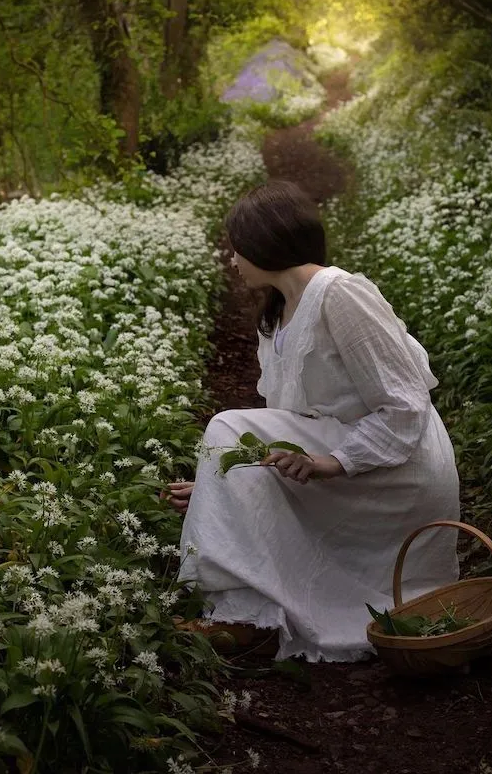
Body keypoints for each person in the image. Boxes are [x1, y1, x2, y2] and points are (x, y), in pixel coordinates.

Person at [166, 180, 460, 662]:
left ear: (266, 243)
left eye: (237, 248)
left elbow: (406, 405)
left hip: (397, 467)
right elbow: (287, 425)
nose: (232, 260)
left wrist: (336, 462)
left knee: (223, 427)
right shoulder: (279, 313)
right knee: (226, 443)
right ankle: (249, 615)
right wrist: (226, 484)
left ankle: (242, 618)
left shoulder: (340, 294)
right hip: (342, 449)